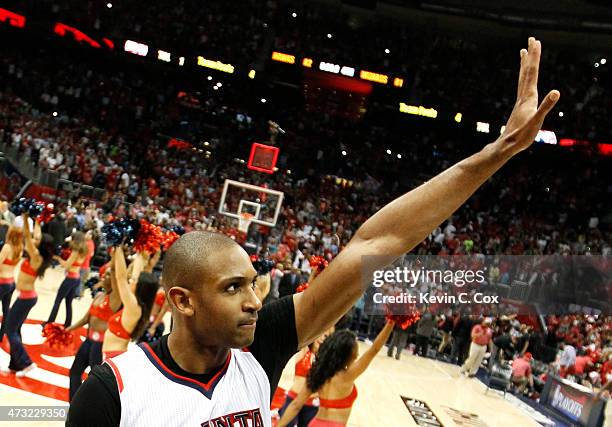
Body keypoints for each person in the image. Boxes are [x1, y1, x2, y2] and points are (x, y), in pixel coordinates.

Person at [68, 37, 560, 425]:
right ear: (182, 300)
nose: (255, 300)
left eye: (253, 284)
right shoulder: (112, 391)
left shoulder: (261, 347)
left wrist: (494, 154)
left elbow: (374, 244)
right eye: (233, 287)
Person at [278, 321, 395, 427]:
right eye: (355, 352)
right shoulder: (347, 376)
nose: (357, 355)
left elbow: (296, 405)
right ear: (346, 355)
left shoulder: (318, 373)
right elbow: (374, 349)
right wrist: (391, 321)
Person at [2, 214, 55, 376]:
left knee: (10, 330)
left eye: (38, 239)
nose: (35, 239)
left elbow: (26, 235)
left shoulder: (36, 256)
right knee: (15, 330)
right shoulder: (38, 256)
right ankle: (14, 365)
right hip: (26, 297)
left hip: (26, 298)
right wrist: (38, 220)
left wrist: (26, 218)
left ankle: (27, 363)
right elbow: (32, 236)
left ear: (42, 244)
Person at [67, 269, 121, 400]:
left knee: (94, 379)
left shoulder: (115, 298)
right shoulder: (98, 296)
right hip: (88, 341)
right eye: (104, 273)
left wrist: (116, 257)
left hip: (101, 345)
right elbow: (86, 319)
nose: (104, 276)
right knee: (74, 372)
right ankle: (74, 403)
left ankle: (92, 407)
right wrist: (68, 329)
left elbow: (118, 277)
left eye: (109, 274)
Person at [101, 247, 159, 359]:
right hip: (111, 355)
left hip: (114, 357)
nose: (132, 281)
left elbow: (121, 278)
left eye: (135, 282)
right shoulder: (136, 303)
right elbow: (134, 276)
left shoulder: (134, 307)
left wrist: (118, 247)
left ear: (140, 289)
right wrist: (140, 251)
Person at [46, 231, 89, 327]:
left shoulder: (75, 251)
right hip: (77, 278)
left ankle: (49, 322)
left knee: (58, 300)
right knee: (68, 303)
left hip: (70, 279)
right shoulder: (84, 251)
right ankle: (68, 323)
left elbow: (66, 265)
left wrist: (58, 259)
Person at [278, 339, 323, 427]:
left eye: (326, 336)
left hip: (311, 403)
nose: (321, 338)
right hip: (293, 398)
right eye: (320, 335)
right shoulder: (304, 350)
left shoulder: (326, 359)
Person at [0, 226, 23, 342]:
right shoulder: (20, 248)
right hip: (11, 282)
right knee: (6, 311)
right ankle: (1, 335)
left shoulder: (7, 247)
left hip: (2, 282)